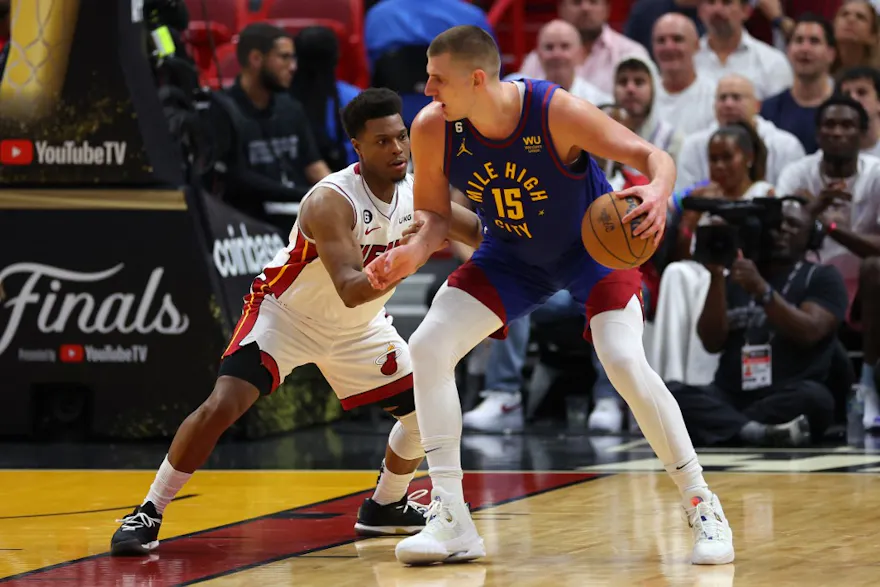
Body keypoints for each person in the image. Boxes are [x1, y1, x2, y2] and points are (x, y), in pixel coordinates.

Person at [365, 25, 735, 566]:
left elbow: (653, 157)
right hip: (511, 256)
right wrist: (411, 254)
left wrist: (656, 192)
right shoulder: (432, 128)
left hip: (594, 252)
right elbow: (435, 219)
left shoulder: (554, 110)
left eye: (437, 78)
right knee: (427, 347)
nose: (427, 89)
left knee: (625, 361)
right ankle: (451, 518)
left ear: (476, 79)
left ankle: (702, 503)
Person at [108, 89, 484, 556]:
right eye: (383, 141)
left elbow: (479, 230)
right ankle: (150, 509)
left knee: (424, 415)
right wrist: (411, 256)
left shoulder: (414, 195)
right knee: (224, 404)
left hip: (360, 328)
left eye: (402, 137)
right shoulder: (331, 202)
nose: (398, 150)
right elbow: (348, 286)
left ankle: (386, 504)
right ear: (357, 147)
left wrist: (531, 238)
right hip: (285, 316)